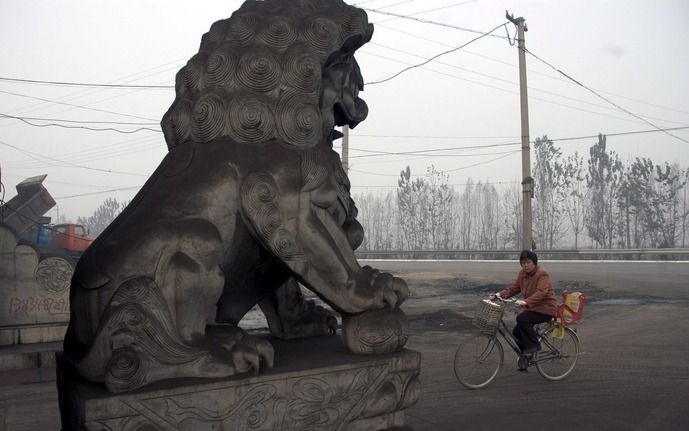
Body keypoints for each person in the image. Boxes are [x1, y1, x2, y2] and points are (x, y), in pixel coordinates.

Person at [491, 250, 558, 367]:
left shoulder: (542, 274)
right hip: (533, 308)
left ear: (534, 262)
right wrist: (499, 295)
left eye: (528, 262)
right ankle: (526, 356)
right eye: (522, 263)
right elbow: (514, 288)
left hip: (546, 308)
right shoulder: (522, 274)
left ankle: (534, 346)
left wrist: (526, 302)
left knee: (522, 318)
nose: (525, 265)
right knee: (516, 332)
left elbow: (541, 293)